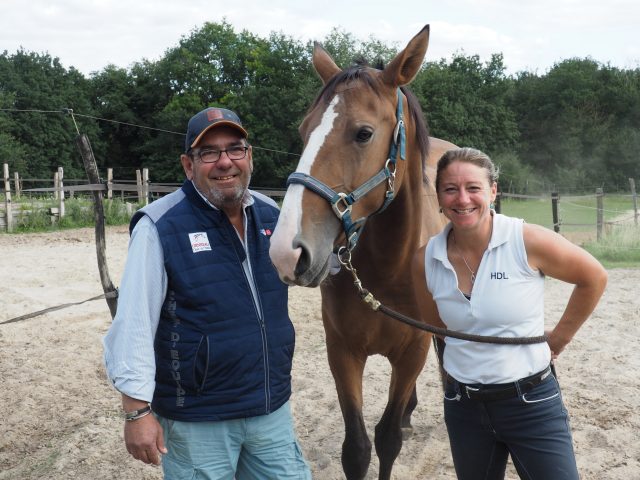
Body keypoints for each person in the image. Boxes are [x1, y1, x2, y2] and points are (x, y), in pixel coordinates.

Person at [103, 106, 311, 479]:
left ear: (250, 157)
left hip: (269, 409)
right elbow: (134, 321)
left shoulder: (269, 213)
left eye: (235, 149)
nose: (224, 162)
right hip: (198, 419)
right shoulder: (159, 225)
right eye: (209, 153)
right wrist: (136, 410)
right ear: (188, 165)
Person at [411, 147, 608, 480]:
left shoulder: (525, 240)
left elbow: (593, 277)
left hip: (531, 404)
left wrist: (559, 337)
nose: (462, 199)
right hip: (464, 407)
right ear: (439, 198)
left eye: (473, 188)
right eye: (450, 189)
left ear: (493, 191)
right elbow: (437, 327)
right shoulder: (424, 260)